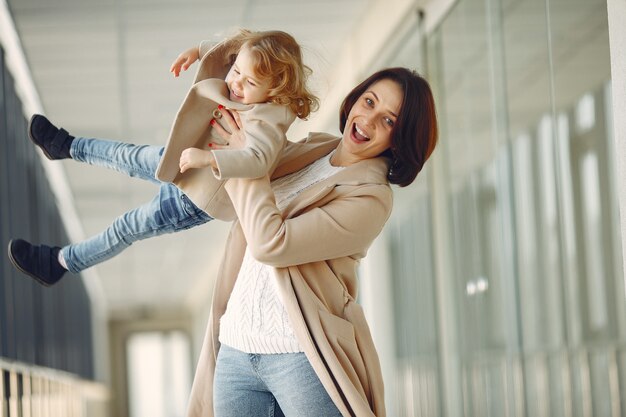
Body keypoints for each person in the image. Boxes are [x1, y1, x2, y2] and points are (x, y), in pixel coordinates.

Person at [186, 67, 438, 416]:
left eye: (389, 121)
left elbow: (271, 244)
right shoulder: (315, 148)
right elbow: (258, 67)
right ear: (354, 100)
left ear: (400, 140)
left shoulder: (371, 198)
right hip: (235, 348)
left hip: (300, 356)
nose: (368, 119)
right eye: (369, 101)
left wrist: (246, 164)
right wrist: (207, 54)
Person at [7, 29, 318, 287]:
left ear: (277, 89)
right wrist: (199, 50)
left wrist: (209, 160)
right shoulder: (245, 75)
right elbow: (235, 49)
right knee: (126, 155)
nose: (235, 83)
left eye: (249, 82)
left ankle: (60, 262)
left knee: (127, 226)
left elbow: (258, 160)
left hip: (198, 197)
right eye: (236, 71)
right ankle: (65, 146)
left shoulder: (270, 120)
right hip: (186, 162)